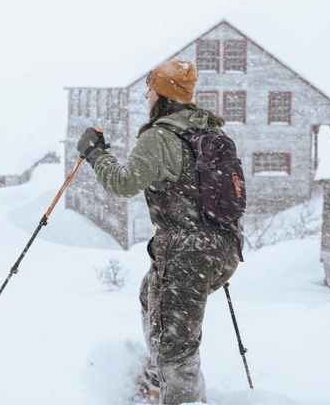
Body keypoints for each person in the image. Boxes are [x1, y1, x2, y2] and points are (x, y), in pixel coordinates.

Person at [77, 60, 244, 404]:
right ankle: (160, 378)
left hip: (186, 252)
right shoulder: (212, 133)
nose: (146, 94)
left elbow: (123, 183)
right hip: (222, 247)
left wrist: (96, 154)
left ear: (164, 95)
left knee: (176, 347)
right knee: (151, 298)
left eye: (151, 88)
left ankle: (180, 394)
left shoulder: (160, 137)